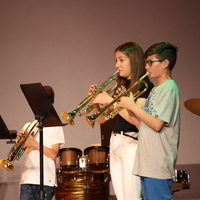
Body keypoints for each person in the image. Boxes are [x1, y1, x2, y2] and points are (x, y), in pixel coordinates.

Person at [88, 42, 154, 200]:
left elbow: (137, 120)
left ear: (134, 60)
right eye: (116, 60)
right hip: (116, 142)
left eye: (121, 60)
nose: (117, 65)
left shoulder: (145, 86)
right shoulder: (121, 86)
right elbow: (101, 120)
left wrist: (111, 100)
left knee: (131, 197)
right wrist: (95, 103)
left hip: (132, 143)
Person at [117, 42, 180, 200]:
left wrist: (133, 106)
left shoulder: (169, 88)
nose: (146, 67)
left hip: (157, 163)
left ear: (165, 63)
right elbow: (142, 125)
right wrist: (125, 106)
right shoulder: (155, 90)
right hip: (147, 163)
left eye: (151, 62)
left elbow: (157, 124)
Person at [18, 85, 65, 200]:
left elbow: (53, 154)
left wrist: (33, 143)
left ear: (51, 104)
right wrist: (20, 142)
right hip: (27, 179)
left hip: (46, 181)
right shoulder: (29, 125)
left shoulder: (56, 126)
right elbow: (19, 152)